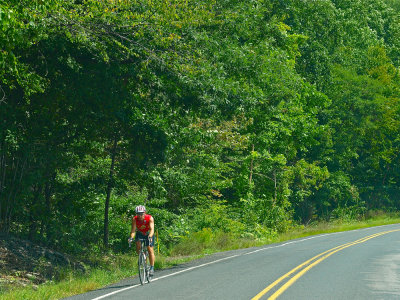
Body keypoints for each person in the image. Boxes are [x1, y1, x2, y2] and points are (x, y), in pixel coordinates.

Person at [128, 205, 155, 276]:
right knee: (138, 246)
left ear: (145, 213)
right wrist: (131, 238)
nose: (140, 216)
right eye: (138, 214)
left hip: (148, 233)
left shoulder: (149, 218)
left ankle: (152, 267)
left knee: (150, 249)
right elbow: (133, 230)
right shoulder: (135, 219)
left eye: (141, 214)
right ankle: (142, 257)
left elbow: (152, 229)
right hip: (140, 233)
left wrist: (150, 236)